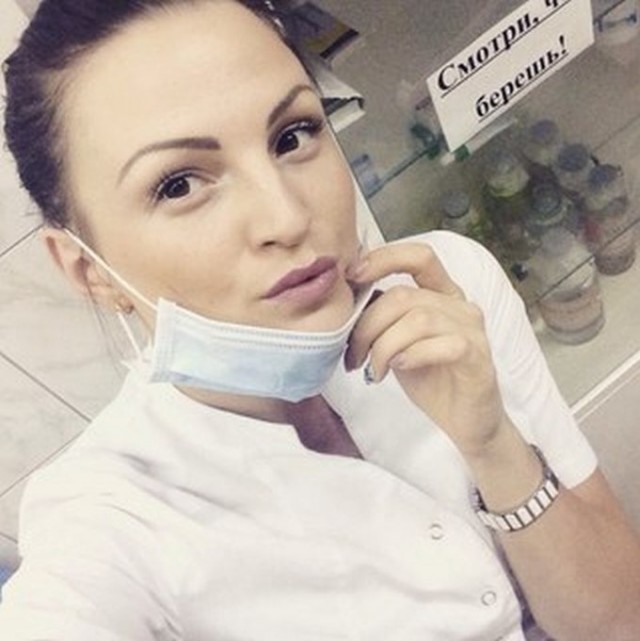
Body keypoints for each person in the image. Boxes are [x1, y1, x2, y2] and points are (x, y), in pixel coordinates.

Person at [1, 0, 639, 639]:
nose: (286, 217)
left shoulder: (446, 282)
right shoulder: (117, 518)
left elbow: (618, 622)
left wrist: (493, 443)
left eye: (293, 135)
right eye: (179, 185)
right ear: (88, 271)